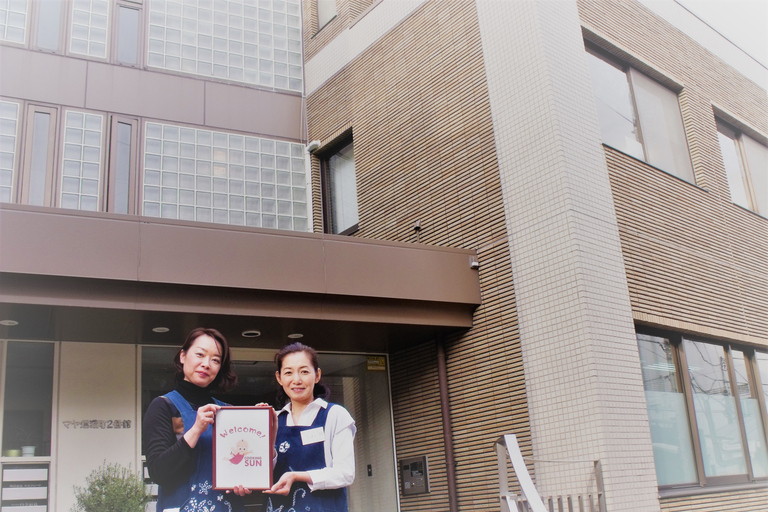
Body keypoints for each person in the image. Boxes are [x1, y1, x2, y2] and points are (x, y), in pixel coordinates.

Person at [143, 327, 255, 512]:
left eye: (215, 360)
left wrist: (245, 483)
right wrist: (196, 429)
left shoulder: (229, 412)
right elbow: (158, 472)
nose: (206, 364)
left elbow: (244, 467)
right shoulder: (163, 406)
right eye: (200, 354)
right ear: (183, 356)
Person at [264, 342, 356, 512]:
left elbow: (345, 473)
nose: (296, 380)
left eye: (304, 371)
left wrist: (297, 476)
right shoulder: (273, 419)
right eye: (288, 372)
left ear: (317, 375)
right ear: (279, 378)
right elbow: (262, 472)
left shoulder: (335, 415)